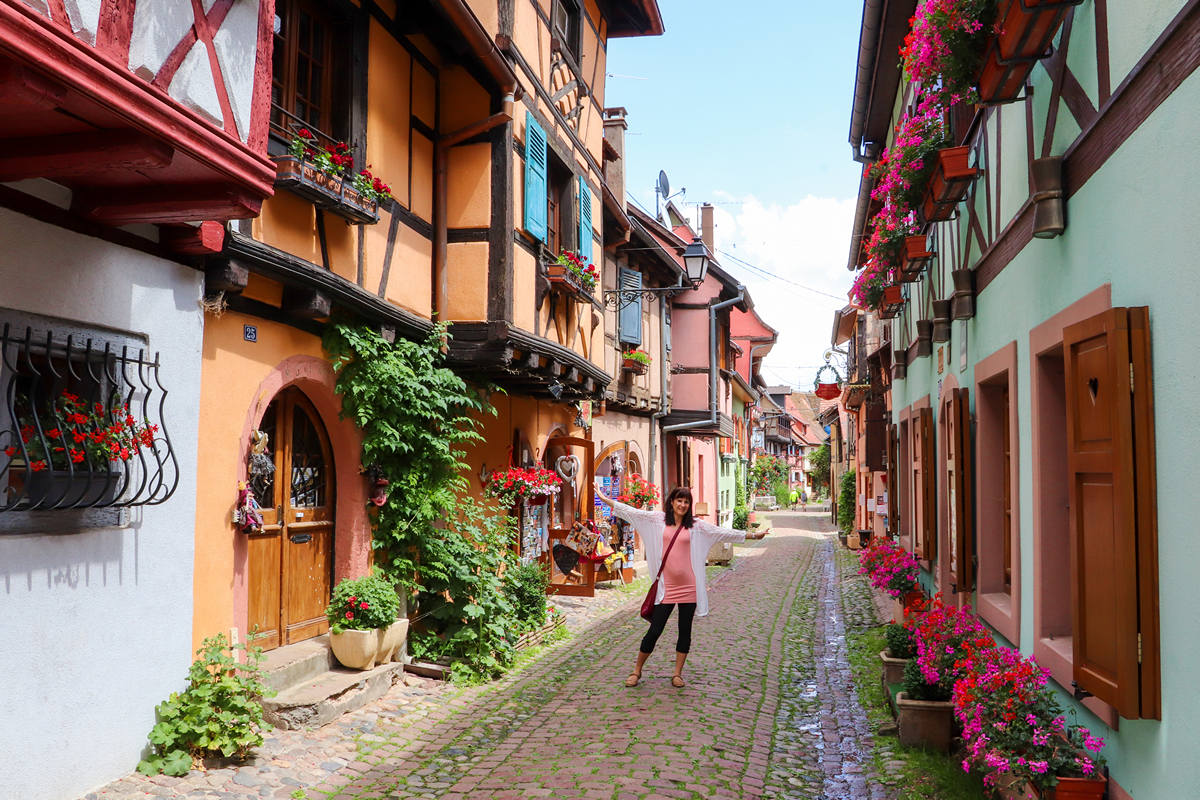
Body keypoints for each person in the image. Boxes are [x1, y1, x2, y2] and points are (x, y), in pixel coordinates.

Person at [595, 482, 746, 688]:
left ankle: (677, 674)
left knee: (685, 631)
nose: (682, 505)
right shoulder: (658, 520)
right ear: (672, 502)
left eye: (686, 501)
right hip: (667, 587)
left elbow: (721, 532)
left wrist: (751, 535)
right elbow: (632, 513)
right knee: (655, 630)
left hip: (689, 588)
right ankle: (636, 671)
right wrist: (604, 499)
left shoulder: (696, 525)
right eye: (679, 500)